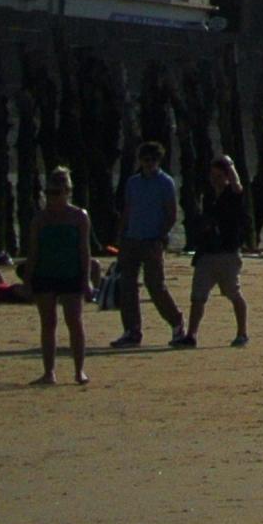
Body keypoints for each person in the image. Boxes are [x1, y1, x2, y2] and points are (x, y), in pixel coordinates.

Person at [111, 145, 187, 350]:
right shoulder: (133, 182)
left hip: (152, 240)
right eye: (145, 159)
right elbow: (128, 209)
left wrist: (160, 236)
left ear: (159, 161)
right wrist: (122, 235)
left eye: (153, 160)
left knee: (155, 285)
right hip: (131, 239)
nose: (149, 163)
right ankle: (131, 331)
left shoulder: (165, 182)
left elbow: (171, 213)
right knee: (127, 286)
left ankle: (177, 322)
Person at [28, 166, 95, 384]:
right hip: (45, 273)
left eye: (56, 193)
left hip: (71, 274)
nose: (51, 198)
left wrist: (86, 280)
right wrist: (28, 280)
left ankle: (79, 371)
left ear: (67, 192)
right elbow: (33, 252)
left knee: (74, 321)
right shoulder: (40, 219)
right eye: (48, 193)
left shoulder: (79, 217)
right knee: (48, 323)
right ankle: (49, 372)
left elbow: (84, 251)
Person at [185, 151, 253, 346]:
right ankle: (191, 335)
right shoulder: (208, 197)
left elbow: (238, 185)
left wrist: (229, 164)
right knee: (197, 297)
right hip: (207, 254)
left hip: (228, 253)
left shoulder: (232, 195)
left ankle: (242, 333)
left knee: (233, 293)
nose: (215, 180)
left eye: (219, 177)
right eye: (213, 176)